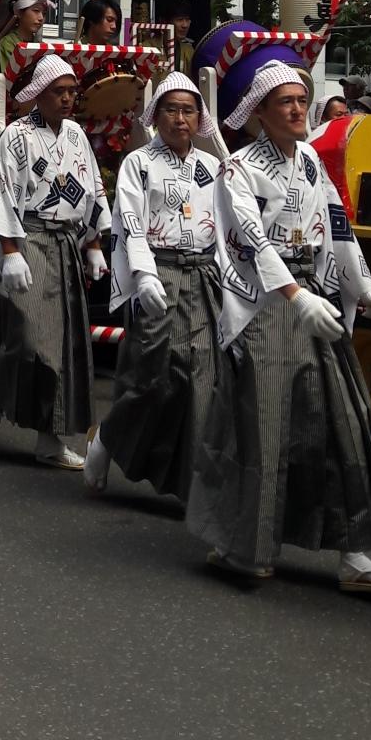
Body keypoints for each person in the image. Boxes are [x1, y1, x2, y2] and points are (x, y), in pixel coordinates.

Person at [185, 60, 371, 592]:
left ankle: (354, 553)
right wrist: (292, 295)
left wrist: (363, 286)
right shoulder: (238, 169)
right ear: (259, 112)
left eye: (300, 98)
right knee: (263, 426)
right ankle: (246, 545)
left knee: (343, 421)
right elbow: (249, 240)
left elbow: (338, 227)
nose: (296, 108)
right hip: (265, 305)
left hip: (314, 296)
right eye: (283, 101)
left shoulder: (309, 160)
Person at [84, 73, 222, 503]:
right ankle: (108, 436)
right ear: (156, 115)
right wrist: (142, 275)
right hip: (159, 272)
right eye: (171, 109)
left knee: (200, 376)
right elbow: (130, 223)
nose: (181, 119)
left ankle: (189, 481)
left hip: (203, 275)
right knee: (154, 370)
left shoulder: (213, 166)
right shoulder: (139, 163)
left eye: (189, 110)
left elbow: (228, 225)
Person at [0, 56, 111, 470]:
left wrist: (93, 243)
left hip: (65, 242)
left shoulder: (77, 135)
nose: (68, 99)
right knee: (28, 336)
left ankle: (50, 439)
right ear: (39, 93)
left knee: (62, 347)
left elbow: (92, 189)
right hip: (28, 237)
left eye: (72, 91)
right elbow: (4, 191)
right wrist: (9, 251)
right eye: (59, 91)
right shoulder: (16, 136)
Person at [0, 0, 49, 80]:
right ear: (20, 13)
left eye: (44, 14)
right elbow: (11, 78)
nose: (41, 18)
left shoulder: (42, 46)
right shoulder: (7, 43)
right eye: (36, 11)